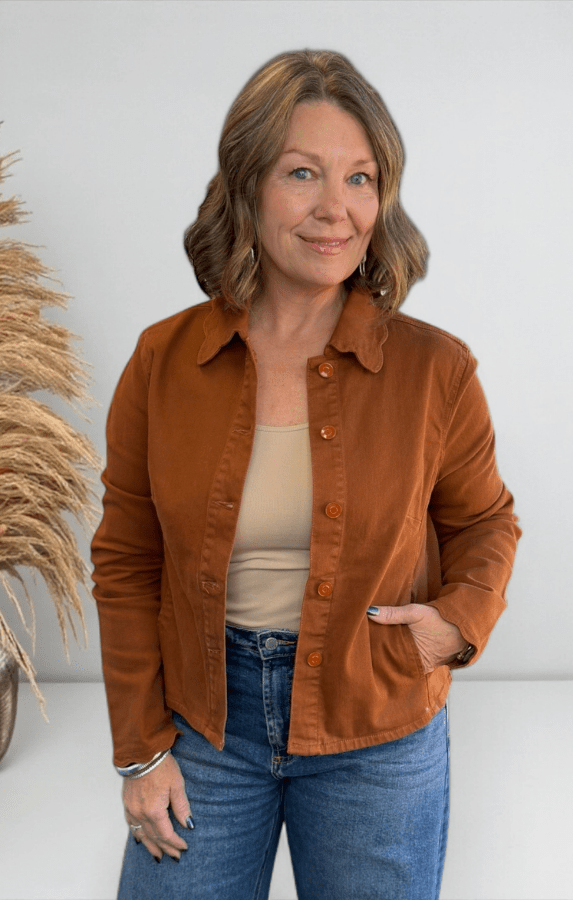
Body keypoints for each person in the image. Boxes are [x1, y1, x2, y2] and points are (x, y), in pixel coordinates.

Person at [91, 49, 521, 900]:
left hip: (378, 721)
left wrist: (454, 624)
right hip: (207, 724)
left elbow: (485, 524)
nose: (337, 209)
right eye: (303, 173)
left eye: (361, 178)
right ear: (247, 185)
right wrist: (141, 750)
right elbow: (127, 559)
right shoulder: (164, 360)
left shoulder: (437, 369)